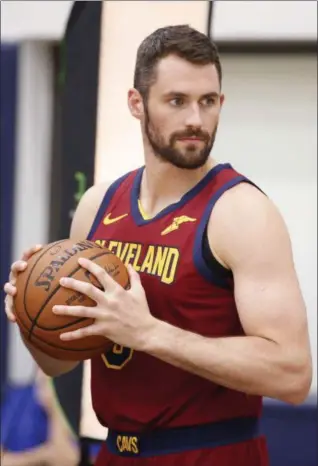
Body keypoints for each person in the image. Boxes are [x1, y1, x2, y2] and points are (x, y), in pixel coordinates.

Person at [4, 25, 312, 466]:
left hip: (210, 453)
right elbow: (61, 364)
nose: (196, 120)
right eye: (177, 101)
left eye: (208, 102)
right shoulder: (98, 206)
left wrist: (149, 333)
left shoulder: (241, 212)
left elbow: (293, 373)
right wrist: (33, 320)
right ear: (137, 103)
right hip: (114, 452)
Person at [1, 370, 79, 466]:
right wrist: (45, 455)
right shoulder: (18, 397)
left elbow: (67, 460)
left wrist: (53, 407)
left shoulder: (83, 401)